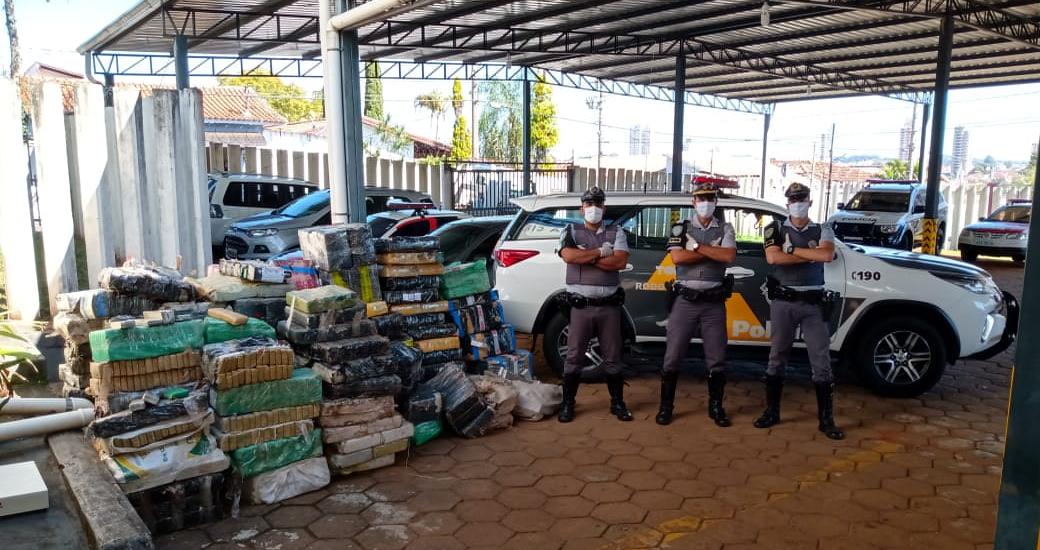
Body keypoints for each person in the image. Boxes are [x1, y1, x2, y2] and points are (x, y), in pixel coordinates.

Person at [755, 182, 844, 440]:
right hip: (784, 302)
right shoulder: (774, 228)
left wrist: (792, 249)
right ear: (787, 203)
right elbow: (773, 258)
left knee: (821, 359)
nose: (797, 202)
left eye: (801, 198)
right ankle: (772, 411)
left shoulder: (823, 228)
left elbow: (827, 256)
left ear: (810, 201)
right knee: (777, 356)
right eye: (793, 199)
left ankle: (826, 420)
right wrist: (811, 254)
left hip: (813, 304)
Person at [657, 182, 737, 426]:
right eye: (701, 199)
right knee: (673, 356)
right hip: (685, 301)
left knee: (717, 357)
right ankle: (666, 407)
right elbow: (678, 256)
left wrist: (697, 247)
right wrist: (712, 250)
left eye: (710, 199)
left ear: (715, 202)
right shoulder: (680, 227)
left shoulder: (726, 227)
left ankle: (716, 408)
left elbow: (728, 256)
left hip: (713, 303)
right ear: (693, 202)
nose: (705, 203)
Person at [556, 186, 634, 423]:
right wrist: (601, 252)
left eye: (598, 204)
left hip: (609, 306)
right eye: (589, 204)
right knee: (574, 356)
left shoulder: (616, 231)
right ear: (581, 208)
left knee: (613, 355)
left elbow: (619, 262)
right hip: (581, 307)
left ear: (604, 207)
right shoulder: (569, 230)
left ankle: (617, 403)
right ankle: (568, 404)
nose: (594, 208)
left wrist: (586, 257)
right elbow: (568, 257)